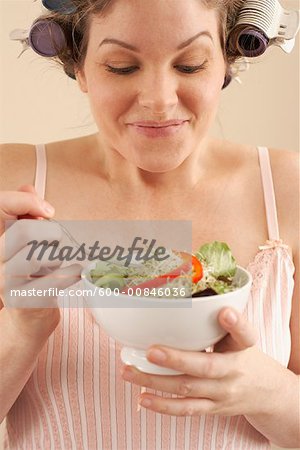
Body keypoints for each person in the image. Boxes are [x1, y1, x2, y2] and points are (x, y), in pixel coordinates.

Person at [0, 0, 299, 448]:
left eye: (190, 63)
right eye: (121, 67)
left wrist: (268, 392)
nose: (159, 100)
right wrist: (24, 328)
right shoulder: (13, 184)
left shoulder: (287, 188)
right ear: (78, 67)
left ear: (226, 62)